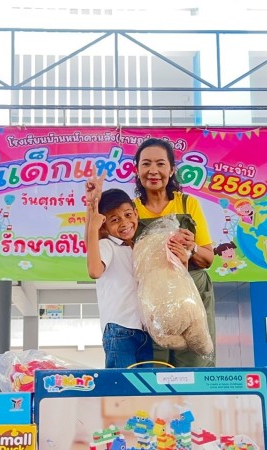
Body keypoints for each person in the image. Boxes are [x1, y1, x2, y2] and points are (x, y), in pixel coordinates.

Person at [89, 138, 216, 367]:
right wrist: (92, 204)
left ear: (172, 169)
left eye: (160, 163)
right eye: (146, 164)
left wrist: (192, 248)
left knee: (194, 366)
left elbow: (208, 259)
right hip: (152, 302)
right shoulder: (130, 211)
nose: (153, 170)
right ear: (137, 170)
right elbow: (98, 241)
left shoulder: (188, 204)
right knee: (156, 369)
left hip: (191, 296)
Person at [85, 188, 187, 368]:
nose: (124, 223)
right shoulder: (107, 245)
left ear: (136, 213)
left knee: (144, 385)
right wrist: (92, 227)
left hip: (145, 331)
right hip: (119, 329)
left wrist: (183, 260)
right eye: (114, 220)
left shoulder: (139, 249)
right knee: (122, 383)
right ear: (104, 225)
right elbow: (94, 271)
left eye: (128, 215)